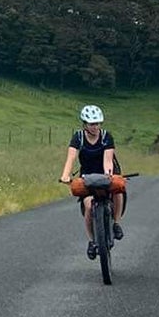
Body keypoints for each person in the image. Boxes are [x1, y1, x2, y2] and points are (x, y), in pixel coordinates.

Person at [59, 104, 126, 259]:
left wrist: (108, 175)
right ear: (85, 124)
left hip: (106, 172)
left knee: (118, 191)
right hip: (87, 176)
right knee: (89, 205)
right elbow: (71, 157)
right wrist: (65, 176)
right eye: (92, 124)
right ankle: (92, 241)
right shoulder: (78, 137)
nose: (96, 127)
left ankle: (116, 223)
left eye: (98, 123)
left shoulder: (106, 137)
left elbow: (108, 160)